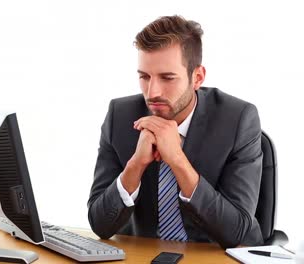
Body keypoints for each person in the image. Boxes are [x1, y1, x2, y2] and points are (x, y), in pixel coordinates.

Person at [87, 15, 263, 248]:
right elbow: (100, 225)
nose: (152, 92)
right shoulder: (120, 116)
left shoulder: (238, 119)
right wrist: (136, 165)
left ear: (197, 77)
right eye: (144, 76)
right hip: (147, 256)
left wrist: (177, 160)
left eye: (167, 78)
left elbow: (236, 231)